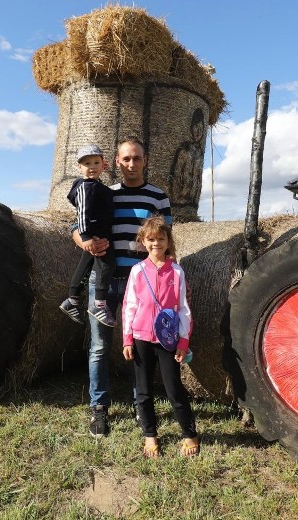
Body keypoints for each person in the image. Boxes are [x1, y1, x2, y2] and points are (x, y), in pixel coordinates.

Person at [73, 135, 172, 437]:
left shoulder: (158, 197)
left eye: (137, 158)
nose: (131, 164)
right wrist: (83, 242)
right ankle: (99, 408)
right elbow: (77, 226)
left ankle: (140, 403)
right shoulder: (104, 192)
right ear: (115, 162)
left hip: (139, 283)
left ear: (145, 161)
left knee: (142, 346)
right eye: (125, 158)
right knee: (100, 347)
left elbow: (166, 240)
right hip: (101, 281)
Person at [122, 216, 199, 457]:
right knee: (143, 390)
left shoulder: (176, 272)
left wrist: (183, 341)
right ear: (143, 242)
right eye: (151, 239)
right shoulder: (136, 271)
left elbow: (183, 309)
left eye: (161, 238)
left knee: (174, 388)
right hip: (141, 338)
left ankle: (189, 433)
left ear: (168, 241)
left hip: (168, 340)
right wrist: (127, 338)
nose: (156, 243)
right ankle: (150, 435)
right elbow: (129, 306)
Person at [60, 145, 117, 326]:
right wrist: (85, 237)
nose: (91, 166)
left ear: (104, 165)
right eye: (86, 163)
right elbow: (82, 213)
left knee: (85, 264)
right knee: (107, 264)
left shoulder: (97, 186)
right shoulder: (86, 186)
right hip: (95, 234)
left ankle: (72, 300)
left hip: (98, 232)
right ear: (79, 167)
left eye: (95, 162)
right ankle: (99, 305)